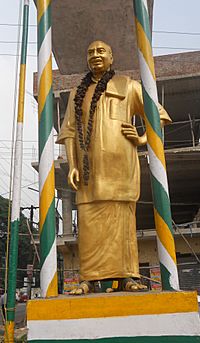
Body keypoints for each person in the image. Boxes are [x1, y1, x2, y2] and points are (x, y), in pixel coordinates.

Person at [57, 40, 171, 294]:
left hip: (121, 169)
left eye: (101, 51)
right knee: (88, 225)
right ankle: (88, 279)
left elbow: (159, 116)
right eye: (90, 52)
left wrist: (142, 138)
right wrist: (72, 166)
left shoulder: (128, 86)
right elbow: (69, 133)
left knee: (123, 224)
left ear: (111, 57)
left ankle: (129, 276)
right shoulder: (78, 94)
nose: (95, 55)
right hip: (89, 173)